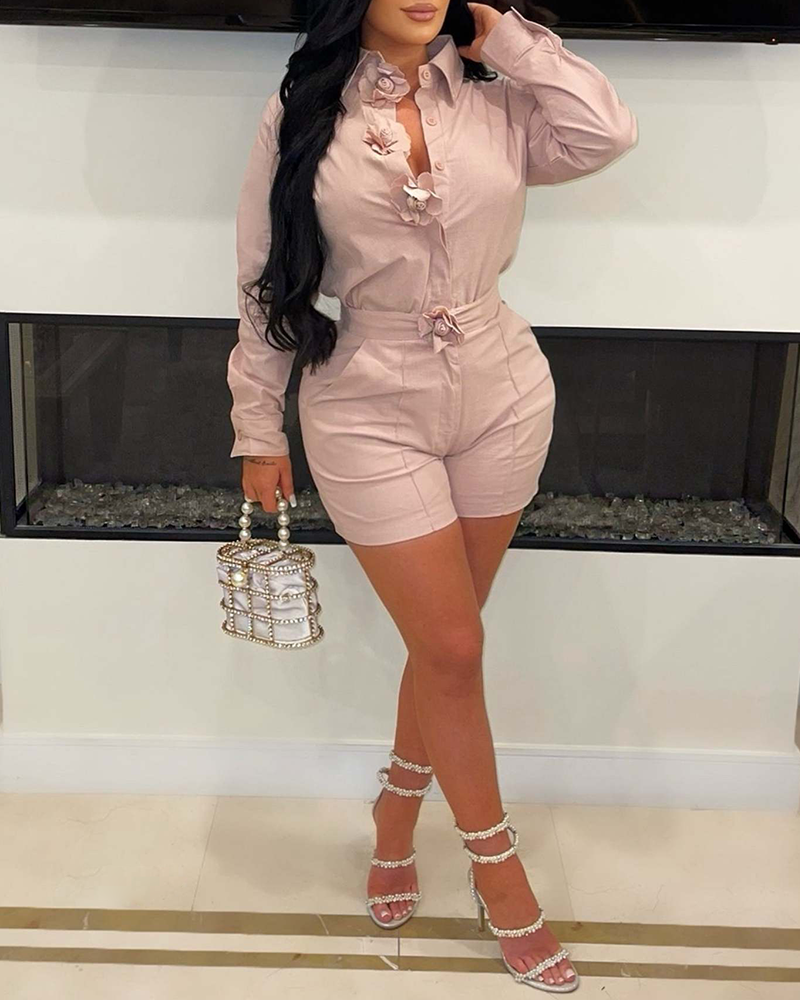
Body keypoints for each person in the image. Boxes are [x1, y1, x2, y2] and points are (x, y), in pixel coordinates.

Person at [227, 0, 637, 990]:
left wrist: (507, 37)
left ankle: (398, 808)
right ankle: (498, 869)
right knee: (451, 646)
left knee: (445, 645)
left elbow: (605, 130)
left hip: (503, 391)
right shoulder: (303, 112)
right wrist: (256, 426)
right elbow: (260, 278)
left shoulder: (498, 101)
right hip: (366, 399)